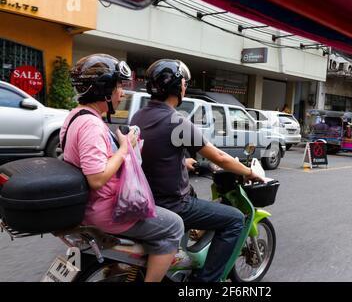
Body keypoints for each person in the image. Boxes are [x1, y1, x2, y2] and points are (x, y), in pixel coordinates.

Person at [131, 59, 265, 282]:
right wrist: (249, 172)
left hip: (146, 197)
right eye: (184, 83)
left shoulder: (139, 116)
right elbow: (220, 157)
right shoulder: (176, 121)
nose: (185, 87)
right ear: (177, 86)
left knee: (192, 190)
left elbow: (149, 151)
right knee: (234, 219)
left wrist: (183, 162)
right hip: (172, 204)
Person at [61, 54, 184, 282]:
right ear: (103, 90)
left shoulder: (76, 116)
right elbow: (97, 178)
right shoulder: (90, 124)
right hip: (106, 209)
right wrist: (125, 148)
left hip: (92, 205)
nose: (122, 92)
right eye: (118, 86)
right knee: (174, 225)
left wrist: (121, 146)